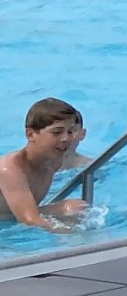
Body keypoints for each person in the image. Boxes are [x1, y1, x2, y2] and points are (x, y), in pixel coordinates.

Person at [1, 99, 88, 232]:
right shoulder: (10, 168)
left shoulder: (53, 161)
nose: (66, 138)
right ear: (30, 134)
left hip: (10, 219)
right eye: (57, 132)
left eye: (70, 132)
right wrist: (75, 235)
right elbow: (29, 220)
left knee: (74, 208)